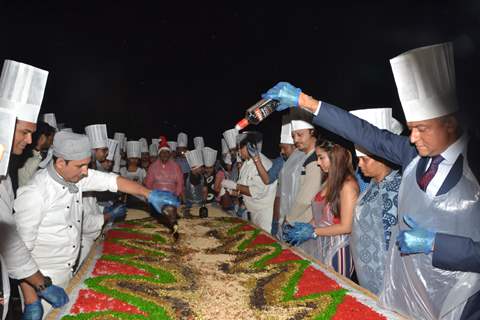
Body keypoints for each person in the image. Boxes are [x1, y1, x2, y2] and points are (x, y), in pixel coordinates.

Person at [262, 42, 479, 319]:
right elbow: (364, 132)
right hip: (410, 294)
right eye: (411, 129)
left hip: (463, 302)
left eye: (422, 129)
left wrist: (438, 244)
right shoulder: (411, 155)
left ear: (450, 124)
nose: (413, 138)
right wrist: (305, 101)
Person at [14, 131, 175, 317]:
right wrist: (33, 296)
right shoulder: (34, 193)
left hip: (67, 270)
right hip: (39, 278)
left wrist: (148, 194)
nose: (86, 171)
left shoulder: (76, 175)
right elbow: (19, 253)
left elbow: (112, 181)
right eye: (81, 166)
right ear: (60, 163)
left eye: (87, 165)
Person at [0, 60, 68, 320]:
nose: (30, 141)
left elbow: (8, 238)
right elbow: (8, 237)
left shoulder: (3, 170)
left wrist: (31, 296)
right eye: (25, 132)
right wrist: (42, 285)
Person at [348, 108, 403, 295]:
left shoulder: (398, 187)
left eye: (364, 160)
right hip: (366, 275)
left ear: (383, 157)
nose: (360, 165)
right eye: (358, 160)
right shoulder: (371, 185)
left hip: (390, 279)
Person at [285, 139, 359, 278]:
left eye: (321, 157)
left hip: (339, 249)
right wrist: (303, 228)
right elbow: (320, 216)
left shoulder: (347, 185)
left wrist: (313, 232)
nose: (318, 163)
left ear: (335, 156)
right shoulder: (328, 180)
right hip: (323, 243)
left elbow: (346, 226)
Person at [221, 131, 277, 232]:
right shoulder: (246, 164)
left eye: (240, 149)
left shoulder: (262, 163)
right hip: (252, 211)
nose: (238, 152)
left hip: (264, 214)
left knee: (264, 242)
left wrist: (235, 186)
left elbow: (255, 191)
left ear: (248, 147)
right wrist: (234, 192)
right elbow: (244, 186)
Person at [280, 109, 322, 237]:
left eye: (300, 134)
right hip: (301, 219)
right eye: (293, 136)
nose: (296, 140)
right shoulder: (306, 156)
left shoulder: (316, 158)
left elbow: (306, 197)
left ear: (312, 132)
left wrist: (289, 219)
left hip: (306, 222)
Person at [17, 121, 55, 187]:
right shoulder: (31, 159)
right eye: (51, 139)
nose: (51, 143)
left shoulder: (35, 154)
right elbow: (26, 183)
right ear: (42, 138)